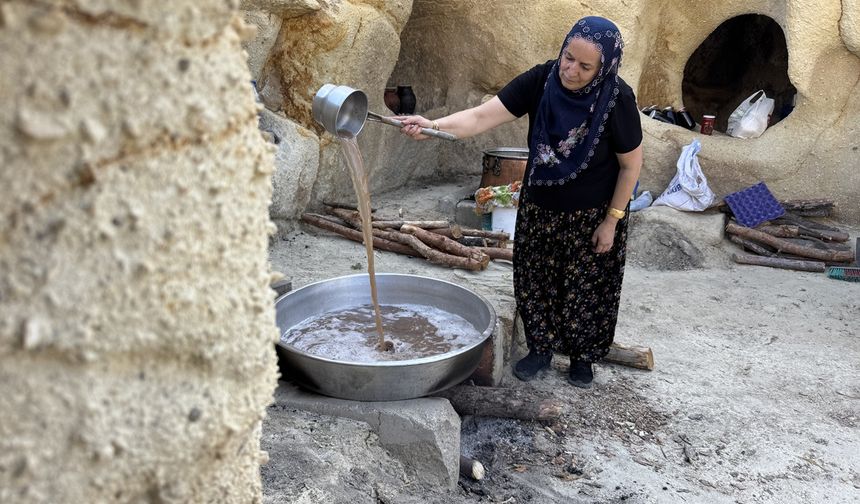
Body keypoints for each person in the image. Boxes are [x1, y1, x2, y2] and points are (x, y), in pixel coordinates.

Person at [398, 16, 643, 388]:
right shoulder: (541, 80)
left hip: (593, 214)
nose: (570, 70)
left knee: (588, 288)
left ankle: (582, 358)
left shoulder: (617, 99)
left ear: (604, 67)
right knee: (535, 279)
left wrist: (611, 221)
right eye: (567, 57)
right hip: (540, 206)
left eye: (584, 66)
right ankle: (540, 349)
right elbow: (481, 117)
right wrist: (432, 127)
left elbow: (630, 166)